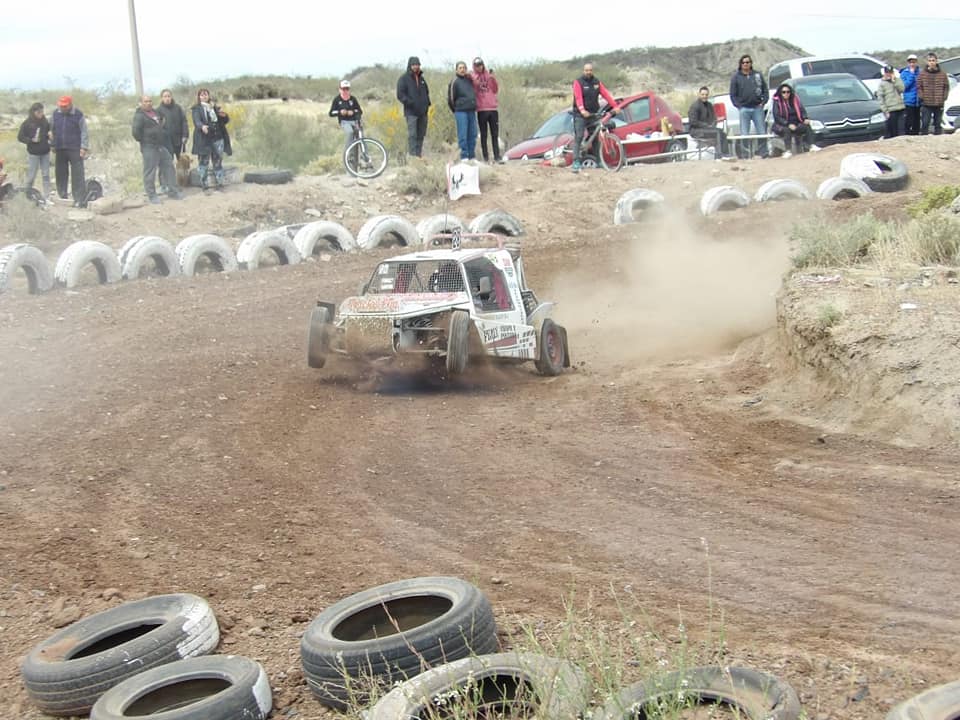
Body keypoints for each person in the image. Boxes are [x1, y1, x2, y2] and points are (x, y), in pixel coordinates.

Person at [570, 63, 620, 173]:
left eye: (590, 70)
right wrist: (582, 110)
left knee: (596, 138)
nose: (588, 72)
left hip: (593, 113)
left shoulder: (596, 82)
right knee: (579, 136)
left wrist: (615, 106)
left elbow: (606, 94)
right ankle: (576, 161)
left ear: (592, 71)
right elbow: (578, 98)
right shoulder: (578, 82)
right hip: (580, 114)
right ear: (583, 71)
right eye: (586, 70)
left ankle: (599, 160)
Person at [132, 95, 180, 204]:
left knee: (169, 166)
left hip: (160, 145)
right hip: (149, 147)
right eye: (145, 101)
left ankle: (173, 191)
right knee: (150, 172)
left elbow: (162, 121)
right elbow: (135, 133)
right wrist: (146, 140)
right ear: (140, 103)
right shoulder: (139, 116)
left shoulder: (155, 112)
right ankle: (152, 195)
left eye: (150, 101)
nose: (148, 103)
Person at [50, 96, 89, 206]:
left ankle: (79, 198)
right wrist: (52, 144)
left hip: (75, 148)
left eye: (65, 106)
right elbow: (51, 130)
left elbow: (84, 132)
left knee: (77, 174)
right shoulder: (55, 114)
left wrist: (84, 147)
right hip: (60, 148)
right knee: (60, 173)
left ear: (70, 105)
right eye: (61, 106)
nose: (62, 108)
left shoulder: (78, 114)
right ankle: (62, 195)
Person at [191, 88, 232, 191]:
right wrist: (202, 126)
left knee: (217, 161)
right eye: (202, 95)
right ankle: (204, 184)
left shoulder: (214, 107)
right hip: (204, 139)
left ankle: (220, 183)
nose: (204, 96)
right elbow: (196, 121)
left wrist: (224, 115)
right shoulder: (196, 109)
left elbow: (224, 120)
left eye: (206, 94)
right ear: (199, 97)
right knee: (203, 162)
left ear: (208, 96)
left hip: (217, 137)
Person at [729, 54, 769, 158]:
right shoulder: (736, 77)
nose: (745, 64)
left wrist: (763, 102)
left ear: (751, 63)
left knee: (761, 131)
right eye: (743, 62)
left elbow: (765, 90)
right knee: (744, 133)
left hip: (757, 108)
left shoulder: (757, 75)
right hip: (744, 109)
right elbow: (733, 94)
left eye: (747, 62)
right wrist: (739, 106)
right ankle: (745, 154)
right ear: (740, 64)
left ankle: (763, 152)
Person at [396, 56, 430, 157]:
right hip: (411, 112)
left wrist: (427, 104)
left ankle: (418, 156)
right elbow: (400, 95)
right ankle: (413, 157)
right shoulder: (404, 79)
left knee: (421, 134)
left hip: (423, 112)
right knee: (412, 135)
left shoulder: (422, 79)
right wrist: (411, 103)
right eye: (414, 65)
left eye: (417, 64)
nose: (416, 67)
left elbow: (426, 92)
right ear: (410, 65)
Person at [17, 102, 53, 197]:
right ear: (33, 112)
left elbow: (48, 132)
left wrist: (50, 135)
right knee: (31, 176)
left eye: (42, 112)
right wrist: (30, 140)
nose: (41, 114)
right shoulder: (27, 123)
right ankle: (26, 195)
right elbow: (20, 137)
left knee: (46, 175)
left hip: (45, 152)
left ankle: (47, 196)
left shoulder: (45, 121)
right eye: (38, 112)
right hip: (33, 153)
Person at [469, 58, 501, 163]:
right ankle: (485, 157)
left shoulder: (489, 75)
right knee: (484, 134)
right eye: (477, 65)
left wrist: (493, 78)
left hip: (492, 108)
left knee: (495, 134)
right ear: (474, 66)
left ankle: (497, 156)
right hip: (481, 109)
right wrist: (475, 77)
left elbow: (495, 90)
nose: (479, 67)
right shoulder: (473, 76)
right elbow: (475, 86)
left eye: (480, 65)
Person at [770, 83, 812, 156]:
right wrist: (788, 124)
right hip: (781, 124)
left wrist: (805, 118)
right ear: (780, 93)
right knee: (786, 130)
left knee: (807, 126)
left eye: (788, 92)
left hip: (795, 123)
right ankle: (788, 151)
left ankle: (812, 145)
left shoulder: (795, 100)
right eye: (784, 92)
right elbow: (777, 117)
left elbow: (802, 110)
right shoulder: (777, 101)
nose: (786, 94)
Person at [448, 61, 478, 162]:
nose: (462, 70)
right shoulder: (455, 81)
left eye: (464, 68)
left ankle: (471, 156)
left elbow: (477, 85)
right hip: (461, 112)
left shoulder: (469, 80)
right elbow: (451, 99)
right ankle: (464, 156)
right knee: (463, 135)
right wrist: (456, 109)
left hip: (471, 111)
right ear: (456, 70)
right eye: (460, 68)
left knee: (473, 134)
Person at [687, 86, 728, 157]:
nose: (704, 96)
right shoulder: (695, 106)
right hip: (696, 131)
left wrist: (713, 124)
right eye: (703, 94)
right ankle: (720, 155)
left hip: (708, 129)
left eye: (706, 95)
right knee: (718, 133)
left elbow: (714, 118)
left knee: (722, 133)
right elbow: (693, 122)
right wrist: (706, 125)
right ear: (699, 94)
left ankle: (724, 154)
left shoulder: (709, 105)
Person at [329, 79, 363, 161]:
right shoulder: (337, 100)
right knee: (350, 132)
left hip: (355, 121)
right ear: (340, 89)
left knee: (361, 136)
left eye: (347, 89)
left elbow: (359, 111)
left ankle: (365, 157)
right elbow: (331, 113)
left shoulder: (353, 99)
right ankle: (348, 154)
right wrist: (340, 112)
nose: (345, 91)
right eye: (343, 89)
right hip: (344, 122)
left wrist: (353, 112)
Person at [917, 52, 949, 135]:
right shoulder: (922, 74)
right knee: (925, 123)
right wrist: (922, 96)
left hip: (939, 103)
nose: (931, 62)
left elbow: (946, 87)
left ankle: (938, 140)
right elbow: (919, 87)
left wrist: (944, 97)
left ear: (936, 61)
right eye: (930, 60)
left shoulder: (942, 74)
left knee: (938, 124)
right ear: (927, 62)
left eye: (933, 60)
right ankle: (924, 139)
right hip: (926, 103)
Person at [157, 89, 190, 160]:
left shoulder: (178, 108)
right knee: (168, 161)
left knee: (182, 161)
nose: (167, 98)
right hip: (166, 141)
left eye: (169, 96)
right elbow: (157, 127)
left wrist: (185, 135)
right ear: (162, 98)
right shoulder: (158, 110)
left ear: (171, 97)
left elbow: (184, 122)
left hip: (178, 139)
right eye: (165, 96)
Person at [877, 65, 905, 139]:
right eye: (887, 73)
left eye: (890, 72)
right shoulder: (882, 83)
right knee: (892, 131)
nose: (889, 74)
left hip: (900, 108)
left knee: (901, 130)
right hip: (890, 110)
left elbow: (902, 89)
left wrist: (894, 81)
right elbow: (880, 98)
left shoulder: (897, 80)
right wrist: (885, 111)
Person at [900, 54, 921, 135]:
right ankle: (907, 134)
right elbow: (904, 86)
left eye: (914, 62)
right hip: (909, 100)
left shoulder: (919, 72)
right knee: (909, 119)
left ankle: (916, 133)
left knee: (917, 120)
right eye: (910, 62)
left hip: (918, 100)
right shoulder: (904, 73)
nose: (912, 64)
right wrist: (911, 75)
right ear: (908, 63)